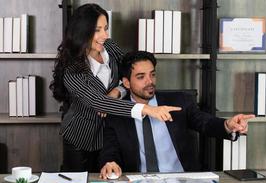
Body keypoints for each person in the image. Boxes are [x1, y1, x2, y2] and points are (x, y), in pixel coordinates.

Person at [49, 4, 181, 172]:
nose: (105, 35)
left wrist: (118, 91)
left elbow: (128, 76)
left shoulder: (109, 47)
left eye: (106, 28)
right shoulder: (72, 70)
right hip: (81, 138)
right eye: (98, 30)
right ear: (82, 32)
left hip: (113, 133)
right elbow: (98, 102)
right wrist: (147, 109)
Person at [99, 51, 255, 179]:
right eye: (141, 77)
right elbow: (110, 149)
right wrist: (110, 162)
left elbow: (205, 122)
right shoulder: (118, 112)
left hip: (183, 180)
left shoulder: (179, 101)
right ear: (126, 83)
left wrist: (228, 125)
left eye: (152, 74)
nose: (150, 81)